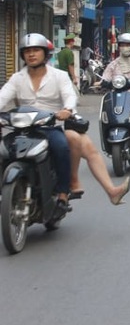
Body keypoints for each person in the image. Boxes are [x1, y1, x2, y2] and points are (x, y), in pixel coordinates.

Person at [0, 33, 75, 218]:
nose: (31, 54)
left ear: (45, 54)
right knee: (3, 151)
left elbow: (70, 95)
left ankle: (63, 193)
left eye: (36, 50)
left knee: (62, 147)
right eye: (27, 51)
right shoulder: (17, 78)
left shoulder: (60, 75)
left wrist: (67, 109)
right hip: (21, 128)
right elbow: (3, 96)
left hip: (49, 126)